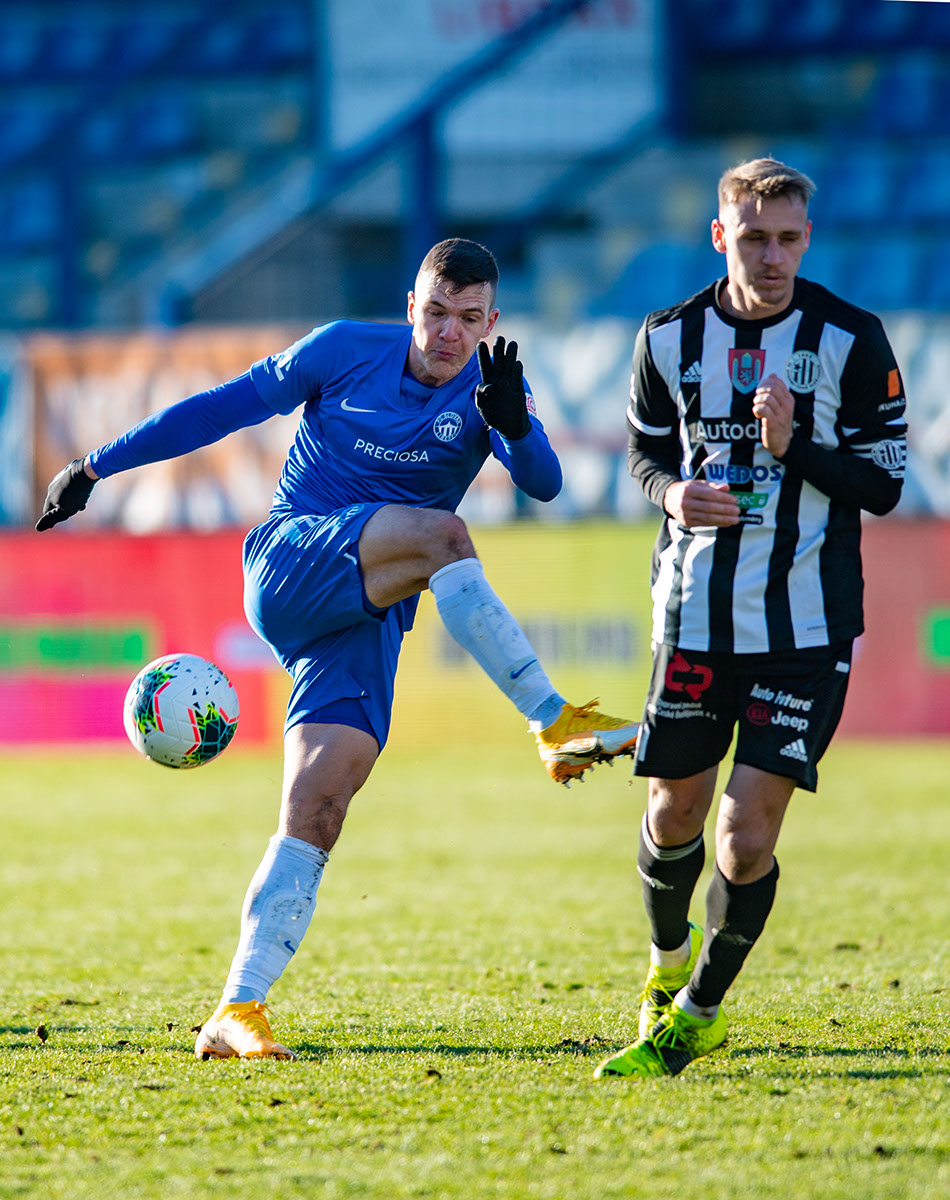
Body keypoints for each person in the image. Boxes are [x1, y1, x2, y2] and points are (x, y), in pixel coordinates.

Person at [36, 238, 639, 1061]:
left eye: (469, 318)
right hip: (291, 561)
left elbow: (545, 483)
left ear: (491, 320)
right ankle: (553, 720)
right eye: (436, 312)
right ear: (410, 306)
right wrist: (94, 466)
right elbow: (222, 406)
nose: (450, 333)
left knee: (317, 809)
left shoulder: (491, 389)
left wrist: (517, 426)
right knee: (446, 536)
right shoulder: (343, 350)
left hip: (366, 614)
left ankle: (236, 1010)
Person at [593, 160, 907, 1080]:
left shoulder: (851, 338)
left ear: (807, 239)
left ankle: (698, 1014)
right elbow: (643, 451)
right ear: (720, 235)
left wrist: (793, 445)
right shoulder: (668, 338)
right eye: (754, 237)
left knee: (744, 836)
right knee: (673, 812)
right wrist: (669, 492)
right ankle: (667, 965)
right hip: (694, 619)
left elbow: (884, 485)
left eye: (789, 239)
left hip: (805, 631)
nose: (772, 257)